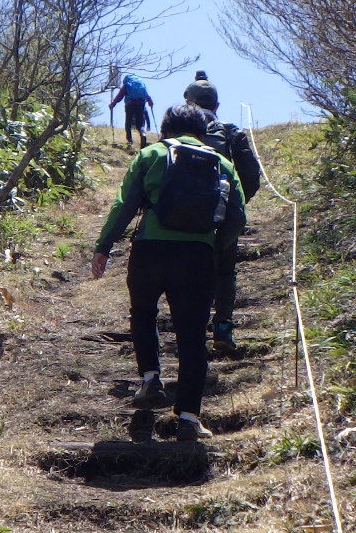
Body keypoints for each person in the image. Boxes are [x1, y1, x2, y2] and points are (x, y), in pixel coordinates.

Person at [90, 104, 246, 440]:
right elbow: (237, 219)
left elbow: (125, 204)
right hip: (197, 256)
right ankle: (189, 417)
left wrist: (104, 246)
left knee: (143, 312)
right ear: (203, 131)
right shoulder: (222, 163)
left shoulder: (151, 154)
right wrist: (215, 249)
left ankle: (150, 379)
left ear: (165, 128)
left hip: (150, 251)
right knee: (192, 335)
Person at [182, 74, 264, 355]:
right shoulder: (230, 132)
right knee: (225, 272)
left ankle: (190, 333)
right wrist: (235, 205)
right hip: (221, 217)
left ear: (188, 103)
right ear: (217, 105)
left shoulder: (175, 135)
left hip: (178, 218)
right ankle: (222, 328)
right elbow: (252, 177)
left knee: (186, 274)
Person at [107, 73, 156, 147]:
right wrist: (150, 102)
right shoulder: (140, 84)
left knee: (128, 122)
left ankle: (130, 141)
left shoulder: (126, 85)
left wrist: (112, 104)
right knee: (140, 123)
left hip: (130, 104)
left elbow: (119, 97)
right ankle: (143, 134)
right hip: (141, 104)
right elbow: (146, 95)